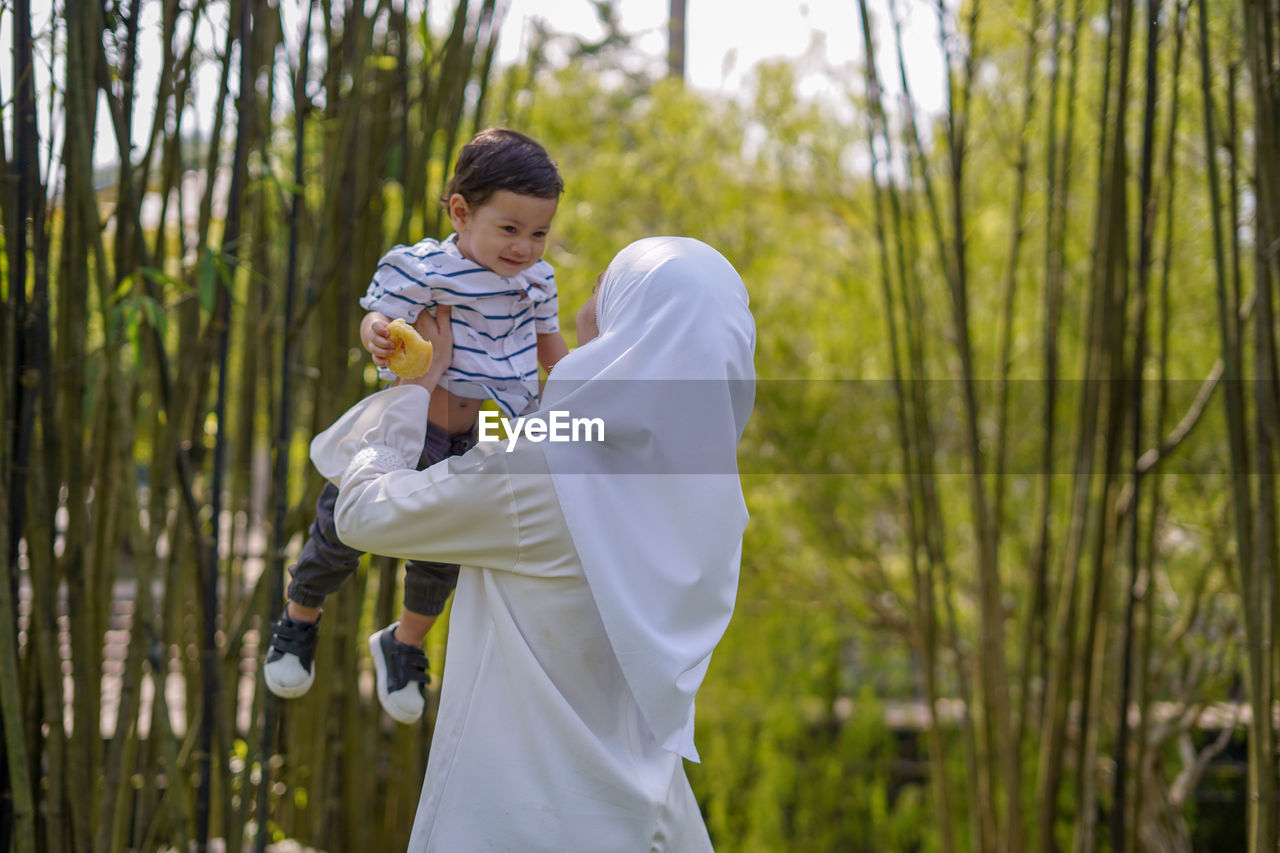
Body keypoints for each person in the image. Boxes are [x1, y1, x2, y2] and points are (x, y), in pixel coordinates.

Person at [308, 236, 755, 851]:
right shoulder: (708, 498)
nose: (583, 297)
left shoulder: (544, 470)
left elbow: (362, 514)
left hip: (520, 817)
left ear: (625, 323)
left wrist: (416, 386)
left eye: (603, 286)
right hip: (653, 820)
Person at [264, 128, 570, 724]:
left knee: (444, 551)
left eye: (539, 233)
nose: (525, 247)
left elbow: (553, 352)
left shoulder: (538, 282)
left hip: (488, 435)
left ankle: (403, 644)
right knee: (339, 527)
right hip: (415, 423)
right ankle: (298, 622)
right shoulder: (423, 266)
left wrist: (582, 392)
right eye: (510, 229)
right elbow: (380, 316)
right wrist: (377, 332)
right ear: (461, 212)